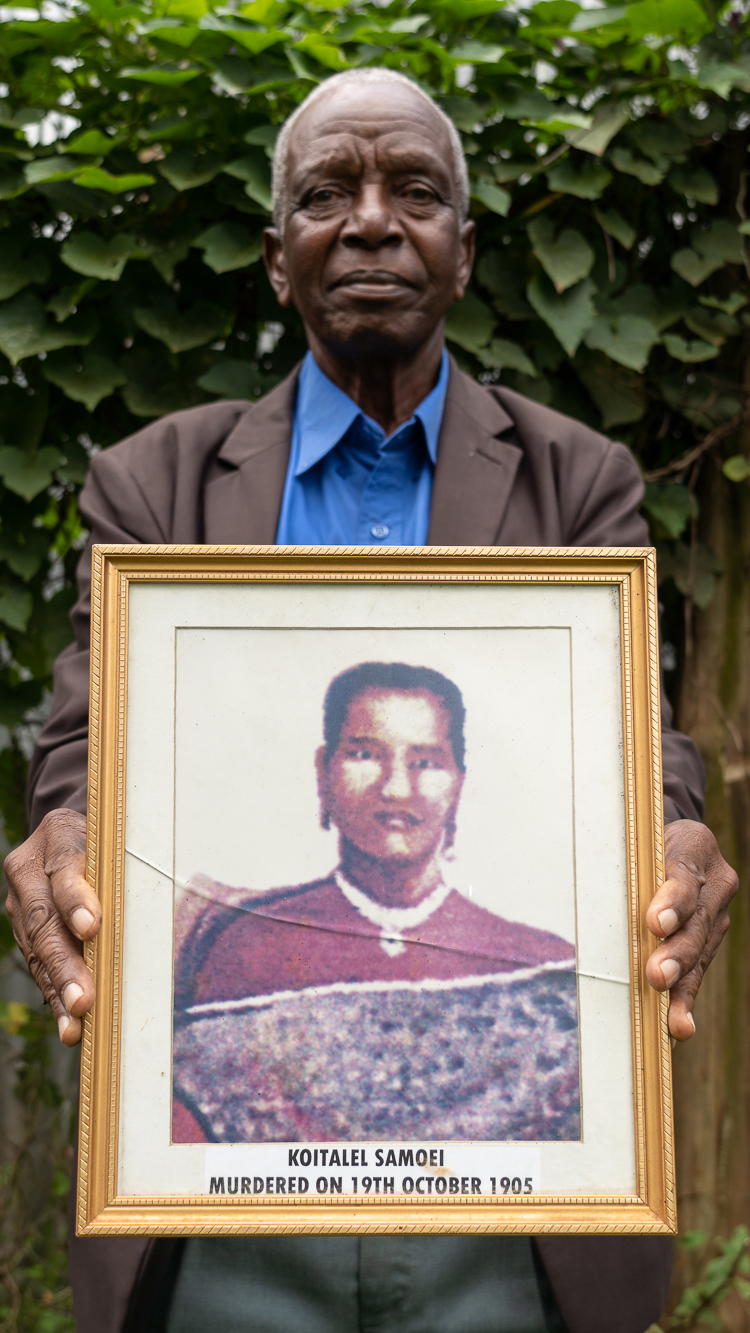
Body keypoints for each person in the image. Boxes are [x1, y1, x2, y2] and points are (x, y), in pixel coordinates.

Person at [3, 64, 738, 1333]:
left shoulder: (581, 480)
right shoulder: (153, 484)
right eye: (326, 193)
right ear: (280, 257)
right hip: (219, 1219)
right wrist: (63, 829)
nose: (373, 220)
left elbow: (636, 743)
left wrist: (671, 829)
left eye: (417, 190)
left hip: (514, 1218)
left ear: (463, 249)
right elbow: (84, 743)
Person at [172, 661, 580, 1147]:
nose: (396, 787)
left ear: (458, 785)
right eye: (365, 754)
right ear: (324, 773)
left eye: (426, 761)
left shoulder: (540, 967)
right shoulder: (242, 949)